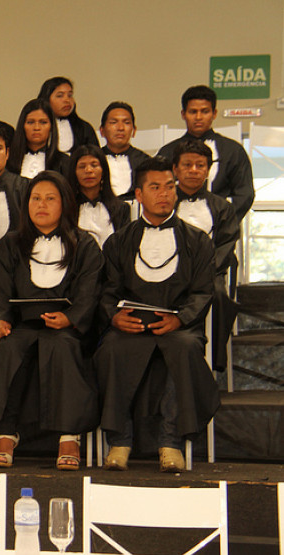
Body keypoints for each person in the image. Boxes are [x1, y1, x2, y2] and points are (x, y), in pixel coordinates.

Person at [94, 156, 217, 473]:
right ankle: (119, 442)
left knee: (185, 347)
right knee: (110, 348)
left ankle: (170, 443)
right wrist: (114, 317)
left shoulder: (198, 241)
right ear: (138, 195)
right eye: (155, 187)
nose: (164, 193)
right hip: (130, 325)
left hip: (179, 325)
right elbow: (109, 290)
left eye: (169, 186)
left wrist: (180, 318)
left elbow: (203, 291)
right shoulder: (119, 241)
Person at [0, 171, 103, 471]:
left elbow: (90, 291)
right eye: (35, 198)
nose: (41, 205)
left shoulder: (84, 244)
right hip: (22, 325)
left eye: (50, 198)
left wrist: (70, 318)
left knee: (61, 347)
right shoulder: (9, 245)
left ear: (65, 204)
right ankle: (6, 433)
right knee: (8, 348)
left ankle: (69, 436)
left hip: (68, 329)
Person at [172, 140, 240, 371]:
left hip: (209, 273)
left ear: (208, 170)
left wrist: (202, 271)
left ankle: (215, 359)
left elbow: (225, 245)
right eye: (187, 164)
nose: (193, 170)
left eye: (200, 165)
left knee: (220, 295)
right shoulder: (163, 204)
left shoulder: (223, 207)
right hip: (167, 271)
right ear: (175, 169)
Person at [157, 85, 254, 221]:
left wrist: (222, 220)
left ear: (214, 113)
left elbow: (244, 194)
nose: (198, 117)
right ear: (183, 114)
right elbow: (157, 191)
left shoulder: (233, 150)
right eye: (192, 112)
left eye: (204, 111)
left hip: (220, 228)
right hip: (174, 225)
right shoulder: (167, 152)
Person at [69, 145, 131, 248]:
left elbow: (124, 249)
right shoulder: (66, 209)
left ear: (103, 170)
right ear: (74, 172)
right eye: (82, 166)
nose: (88, 170)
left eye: (94, 165)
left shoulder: (121, 209)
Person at [99, 101, 150, 201]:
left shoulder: (146, 162)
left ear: (134, 130)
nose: (120, 128)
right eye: (114, 122)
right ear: (102, 131)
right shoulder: (93, 161)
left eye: (126, 123)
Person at [7, 99, 69, 180]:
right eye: (30, 122)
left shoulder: (63, 161)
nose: (36, 128)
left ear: (51, 126)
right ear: (22, 125)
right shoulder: (8, 159)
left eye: (43, 122)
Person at [38, 77, 99, 154]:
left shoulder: (84, 128)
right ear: (46, 100)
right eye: (60, 96)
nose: (67, 100)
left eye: (70, 95)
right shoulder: (36, 127)